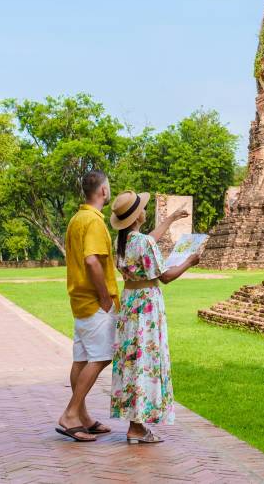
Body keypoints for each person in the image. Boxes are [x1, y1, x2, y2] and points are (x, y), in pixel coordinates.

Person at [108, 190, 200, 444]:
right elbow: (166, 277)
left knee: (133, 361)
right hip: (147, 307)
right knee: (145, 361)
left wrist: (170, 219)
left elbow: (149, 239)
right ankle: (137, 427)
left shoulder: (124, 242)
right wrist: (189, 262)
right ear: (138, 216)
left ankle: (134, 422)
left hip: (130, 305)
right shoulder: (143, 243)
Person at [55, 170, 118, 442]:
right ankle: (70, 414)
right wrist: (104, 297)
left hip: (79, 300)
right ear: (103, 191)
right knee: (102, 356)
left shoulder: (76, 219)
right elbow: (92, 261)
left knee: (81, 358)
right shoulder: (92, 221)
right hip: (94, 303)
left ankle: (82, 416)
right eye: (109, 187)